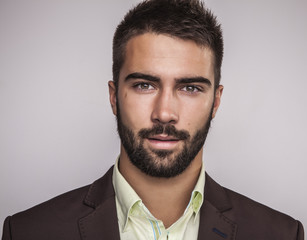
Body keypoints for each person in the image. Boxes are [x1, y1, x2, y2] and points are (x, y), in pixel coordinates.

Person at [1, 0, 304, 239]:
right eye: (144, 85)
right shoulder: (29, 232)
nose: (164, 113)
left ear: (216, 101)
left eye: (190, 88)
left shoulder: (280, 235)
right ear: (113, 97)